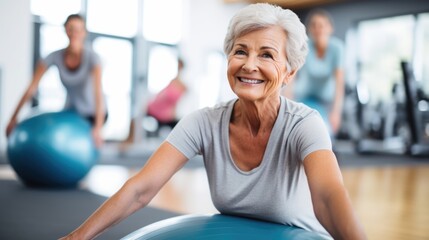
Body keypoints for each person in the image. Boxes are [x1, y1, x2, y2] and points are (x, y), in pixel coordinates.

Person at [60, 4, 366, 240]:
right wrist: (78, 236)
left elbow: (327, 196)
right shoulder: (204, 123)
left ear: (289, 73)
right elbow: (141, 189)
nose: (249, 65)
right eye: (240, 51)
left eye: (267, 55)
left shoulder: (304, 124)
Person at [5, 14, 106, 147]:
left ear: (84, 33)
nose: (74, 33)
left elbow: (97, 94)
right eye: (71, 28)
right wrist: (13, 119)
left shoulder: (93, 58)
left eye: (78, 29)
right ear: (65, 30)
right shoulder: (54, 56)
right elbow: (31, 88)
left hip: (93, 114)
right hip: (71, 111)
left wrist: (98, 128)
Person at [285, 9, 345, 135]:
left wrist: (336, 112)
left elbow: (339, 83)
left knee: (323, 132)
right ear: (309, 30)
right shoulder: (304, 46)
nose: (318, 29)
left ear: (330, 28)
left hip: (326, 100)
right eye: (314, 26)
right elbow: (293, 74)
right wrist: (286, 99)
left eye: (322, 25)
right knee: (300, 130)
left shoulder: (337, 48)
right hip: (305, 97)